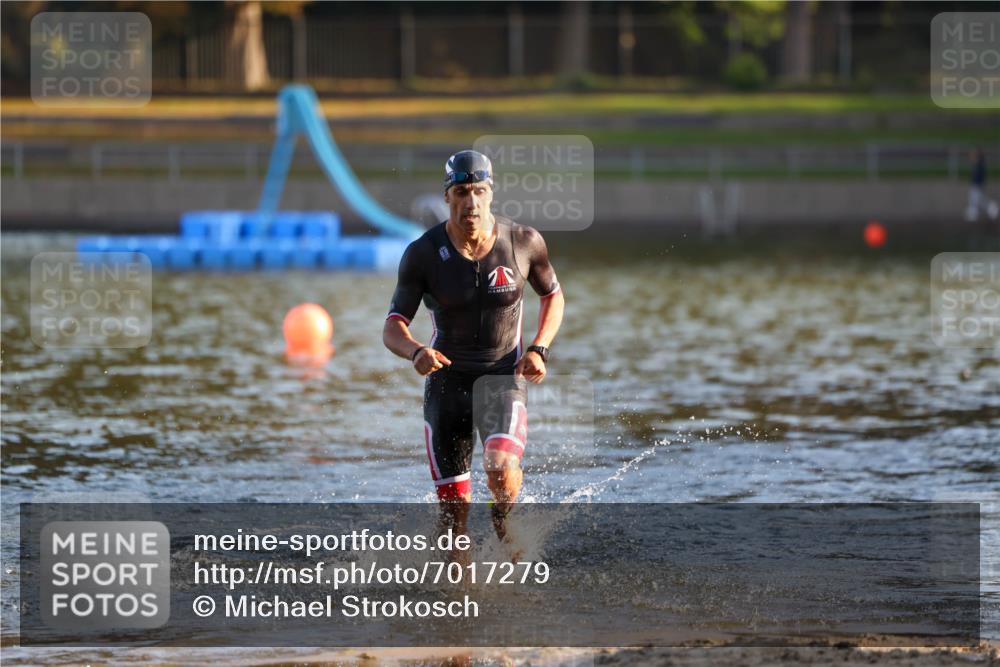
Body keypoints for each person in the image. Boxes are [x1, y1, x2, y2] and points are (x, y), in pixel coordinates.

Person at [382, 149, 565, 544]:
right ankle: (460, 598)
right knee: (454, 520)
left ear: (491, 193)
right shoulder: (423, 255)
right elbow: (393, 326)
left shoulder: (523, 241)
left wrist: (540, 348)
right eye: (462, 192)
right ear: (447, 196)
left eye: (479, 191)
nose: (471, 202)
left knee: (500, 469)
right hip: (447, 386)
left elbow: (553, 295)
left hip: (503, 377)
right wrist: (416, 352)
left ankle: (503, 519)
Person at [965, 148, 999, 222]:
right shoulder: (978, 164)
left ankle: (974, 213)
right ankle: (991, 209)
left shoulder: (979, 165)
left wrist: (977, 185)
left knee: (976, 200)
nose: (971, 157)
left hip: (977, 185)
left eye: (973, 155)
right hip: (977, 185)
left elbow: (979, 177)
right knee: (977, 200)